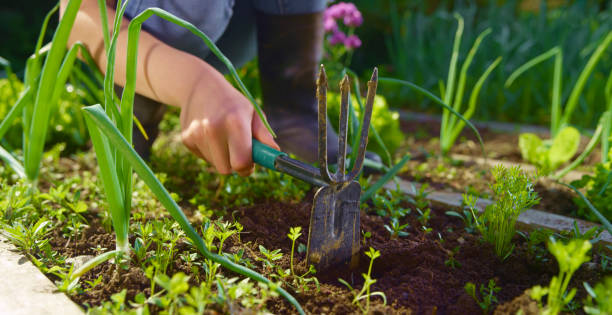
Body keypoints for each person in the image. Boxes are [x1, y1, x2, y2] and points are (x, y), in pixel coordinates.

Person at [61, 0, 361, 176]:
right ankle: (135, 110)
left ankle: (294, 114)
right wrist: (192, 83)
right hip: (142, 38)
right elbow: (77, 16)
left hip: (240, 26)